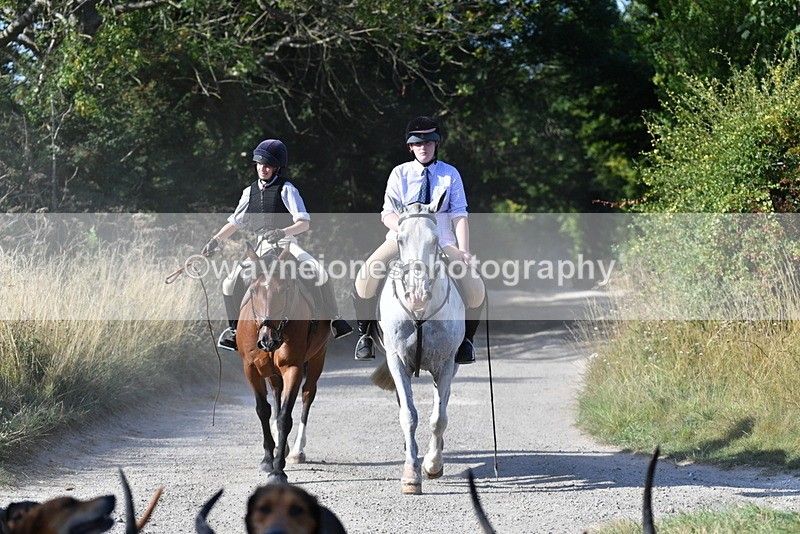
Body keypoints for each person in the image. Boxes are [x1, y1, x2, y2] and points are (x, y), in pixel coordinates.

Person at [351, 116, 486, 363]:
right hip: (401, 238)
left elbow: (459, 214)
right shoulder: (399, 173)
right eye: (418, 143)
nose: (424, 147)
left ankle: (466, 341)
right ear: (410, 147)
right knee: (365, 276)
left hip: (441, 240)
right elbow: (387, 213)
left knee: (476, 288)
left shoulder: (450, 174)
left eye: (429, 143)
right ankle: (366, 336)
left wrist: (464, 249)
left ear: (436, 145)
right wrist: (404, 228)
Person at [202, 138, 352, 351]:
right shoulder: (249, 192)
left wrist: (283, 232)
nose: (263, 168)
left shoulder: (287, 189)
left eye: (268, 165)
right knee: (228, 282)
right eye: (260, 164)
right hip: (261, 246)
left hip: (287, 244)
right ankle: (234, 329)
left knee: (320, 272)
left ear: (276, 168)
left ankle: (335, 320)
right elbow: (235, 222)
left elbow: (303, 223)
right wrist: (215, 241)